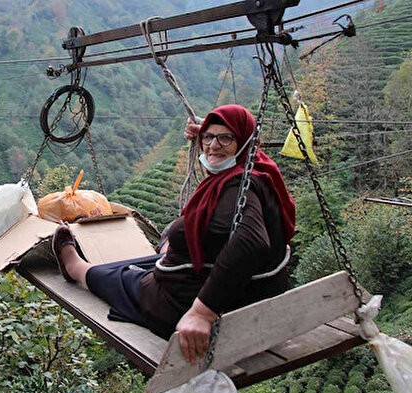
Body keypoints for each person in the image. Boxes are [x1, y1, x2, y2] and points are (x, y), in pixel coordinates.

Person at [52, 104, 296, 364]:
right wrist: (209, 135)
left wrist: (202, 313)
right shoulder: (259, 170)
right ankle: (166, 250)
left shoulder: (239, 187)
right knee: (168, 239)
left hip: (183, 304)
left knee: (122, 277)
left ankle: (75, 267)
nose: (213, 145)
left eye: (226, 137)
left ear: (245, 141)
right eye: (208, 137)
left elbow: (251, 243)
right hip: (243, 291)